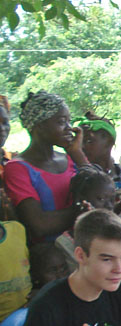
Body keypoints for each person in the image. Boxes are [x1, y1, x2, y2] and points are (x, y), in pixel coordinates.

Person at [3, 92, 80, 243]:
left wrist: (78, 153)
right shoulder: (18, 168)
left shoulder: (70, 158)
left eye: (69, 121)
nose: (69, 128)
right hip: (52, 258)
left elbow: (102, 192)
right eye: (61, 122)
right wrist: (83, 210)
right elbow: (40, 225)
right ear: (39, 126)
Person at [77, 112, 121, 194]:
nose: (82, 147)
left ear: (109, 143)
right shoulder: (78, 178)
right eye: (79, 141)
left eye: (89, 141)